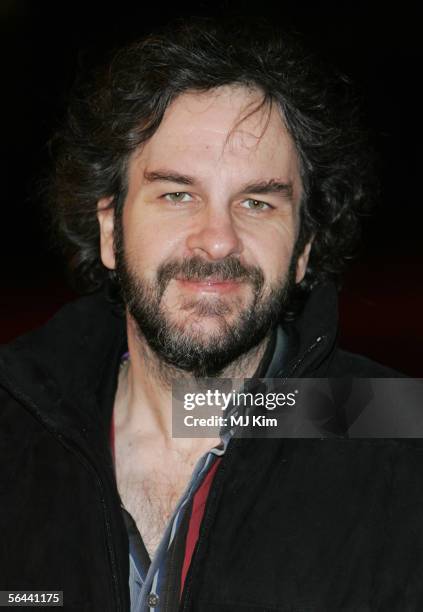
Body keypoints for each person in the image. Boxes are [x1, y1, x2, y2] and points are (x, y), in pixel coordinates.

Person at [0, 17, 420, 612]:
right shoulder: (15, 429)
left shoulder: (398, 441)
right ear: (110, 230)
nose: (217, 240)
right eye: (177, 194)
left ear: (302, 250)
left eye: (256, 202)